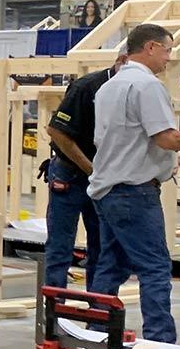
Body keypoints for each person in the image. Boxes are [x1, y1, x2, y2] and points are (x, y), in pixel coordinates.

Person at [87, 24, 180, 344]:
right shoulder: (147, 86)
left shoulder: (109, 86)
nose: (169, 59)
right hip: (134, 191)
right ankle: (159, 341)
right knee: (155, 269)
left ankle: (96, 331)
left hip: (107, 189)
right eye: (167, 50)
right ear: (150, 47)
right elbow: (166, 137)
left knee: (111, 266)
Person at [42, 49, 127, 290]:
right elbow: (57, 132)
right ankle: (54, 315)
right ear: (121, 61)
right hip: (70, 174)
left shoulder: (134, 90)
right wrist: (91, 169)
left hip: (104, 178)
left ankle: (98, 316)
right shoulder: (87, 87)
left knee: (103, 249)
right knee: (60, 247)